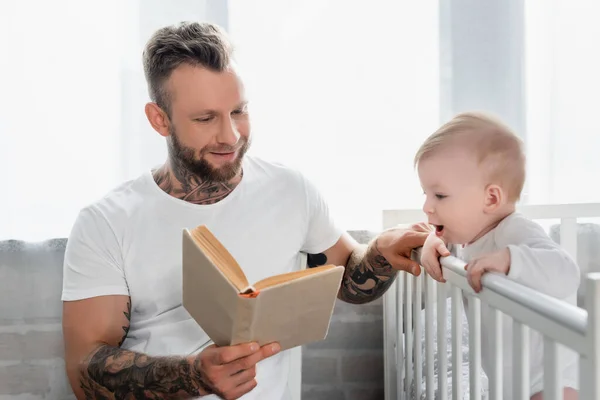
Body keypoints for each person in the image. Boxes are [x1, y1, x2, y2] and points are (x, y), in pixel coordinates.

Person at [60, 21, 429, 400]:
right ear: (160, 119)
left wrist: (382, 253)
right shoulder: (106, 222)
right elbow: (84, 372)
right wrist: (194, 376)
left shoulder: (290, 189)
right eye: (205, 119)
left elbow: (350, 280)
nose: (231, 136)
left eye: (239, 111)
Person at [417, 112, 580, 399]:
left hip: (554, 376)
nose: (427, 206)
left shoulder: (514, 231)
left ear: (490, 198)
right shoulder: (468, 236)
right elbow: (441, 239)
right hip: (511, 380)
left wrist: (509, 259)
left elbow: (566, 272)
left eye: (439, 196)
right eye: (426, 194)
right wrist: (432, 241)